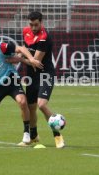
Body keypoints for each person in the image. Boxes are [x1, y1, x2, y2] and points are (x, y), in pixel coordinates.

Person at [9, 11, 65, 148]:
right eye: (31, 24)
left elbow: (36, 61)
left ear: (41, 22)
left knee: (42, 105)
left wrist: (19, 58)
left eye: (36, 25)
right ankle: (33, 137)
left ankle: (58, 136)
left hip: (45, 74)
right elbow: (26, 51)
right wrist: (20, 53)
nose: (33, 28)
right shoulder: (26, 31)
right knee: (31, 107)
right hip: (31, 76)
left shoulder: (44, 37)